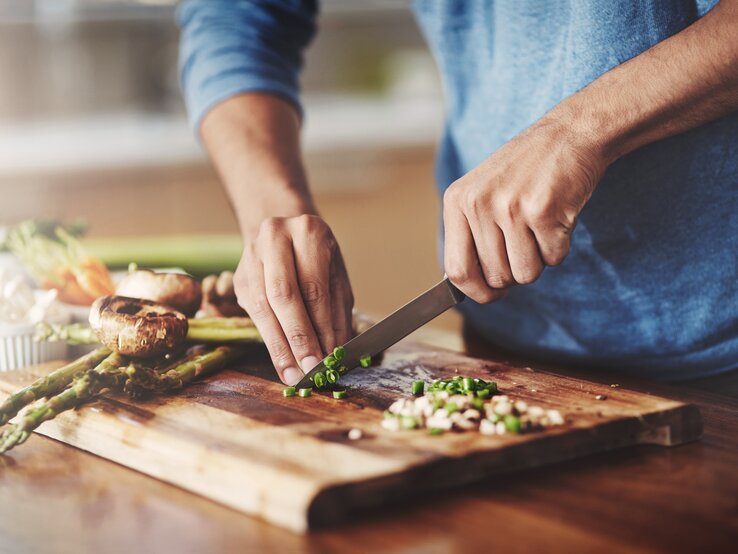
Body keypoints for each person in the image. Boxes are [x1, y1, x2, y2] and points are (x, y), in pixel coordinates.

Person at [177, 1, 738, 385]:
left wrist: (580, 131)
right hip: (509, 342)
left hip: (723, 345)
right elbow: (234, 18)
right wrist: (271, 209)